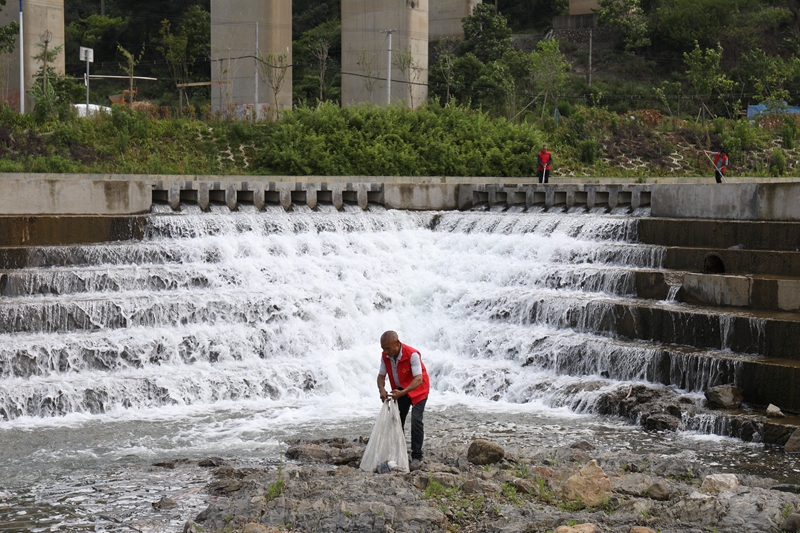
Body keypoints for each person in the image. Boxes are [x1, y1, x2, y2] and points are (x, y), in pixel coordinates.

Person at [377, 330, 430, 471]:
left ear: (397, 344)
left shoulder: (412, 355)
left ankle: (417, 456)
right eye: (383, 349)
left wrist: (403, 392)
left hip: (418, 389)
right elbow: (381, 376)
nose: (385, 352)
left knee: (416, 420)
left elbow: (418, 379)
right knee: (397, 420)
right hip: (401, 389)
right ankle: (397, 454)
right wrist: (382, 389)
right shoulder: (386, 356)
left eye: (387, 348)